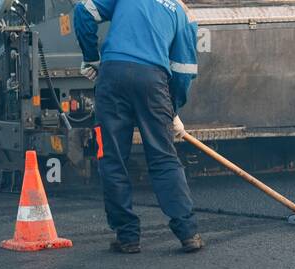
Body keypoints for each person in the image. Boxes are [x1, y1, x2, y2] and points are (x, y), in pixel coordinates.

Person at [73, 0, 204, 253]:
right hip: (152, 82)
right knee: (164, 158)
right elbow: (184, 71)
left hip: (112, 76)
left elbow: (83, 11)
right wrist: (173, 110)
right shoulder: (182, 14)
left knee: (111, 158)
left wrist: (92, 60)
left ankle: (128, 237)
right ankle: (188, 233)